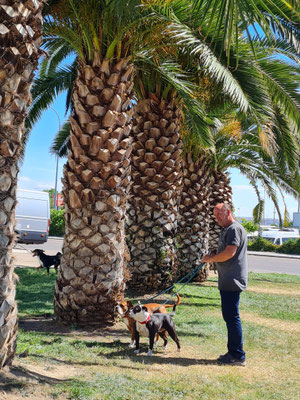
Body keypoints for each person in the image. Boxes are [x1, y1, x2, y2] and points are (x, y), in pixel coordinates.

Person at [202, 202, 248, 366]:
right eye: (214, 215)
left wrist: (211, 259)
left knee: (232, 317)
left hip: (232, 280)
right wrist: (216, 254)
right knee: (230, 316)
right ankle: (234, 352)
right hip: (228, 279)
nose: (216, 218)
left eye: (219, 214)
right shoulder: (228, 229)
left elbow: (230, 252)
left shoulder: (234, 228)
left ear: (227, 211)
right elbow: (226, 251)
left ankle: (237, 355)